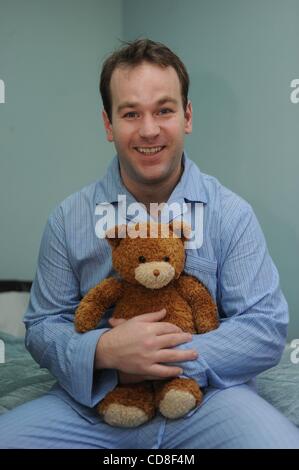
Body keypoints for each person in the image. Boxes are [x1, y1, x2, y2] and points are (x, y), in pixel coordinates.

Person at [0, 38, 299, 449]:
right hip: (93, 406)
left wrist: (163, 357)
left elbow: (264, 328)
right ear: (108, 124)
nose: (149, 129)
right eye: (130, 113)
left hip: (209, 400)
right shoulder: (68, 219)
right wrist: (104, 352)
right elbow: (43, 324)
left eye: (164, 109)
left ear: (187, 116)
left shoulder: (232, 214)